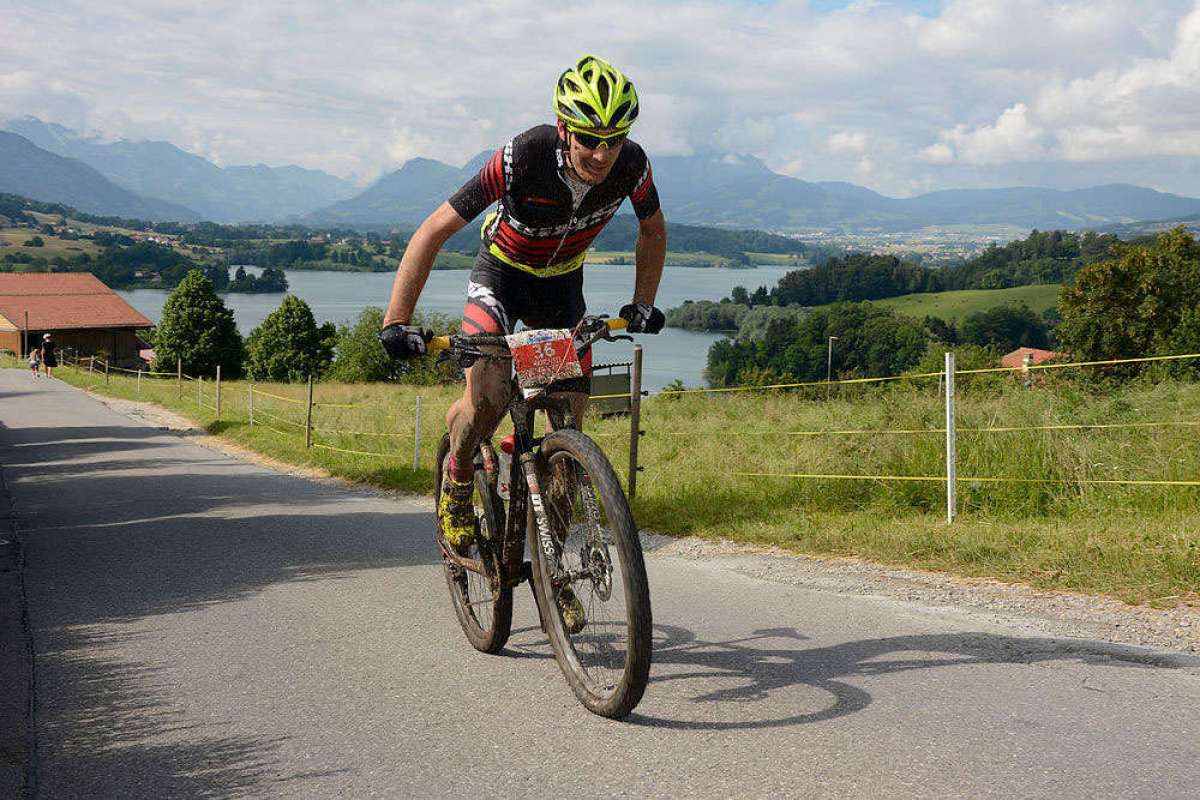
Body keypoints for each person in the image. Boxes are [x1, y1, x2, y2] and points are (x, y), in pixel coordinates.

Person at [380, 55, 667, 619]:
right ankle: (459, 481)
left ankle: (550, 566)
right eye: (588, 138)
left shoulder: (633, 166)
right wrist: (396, 320)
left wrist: (643, 306)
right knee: (486, 398)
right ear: (564, 129)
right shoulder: (524, 156)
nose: (602, 153)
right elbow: (433, 230)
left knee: (567, 424)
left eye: (614, 139)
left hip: (561, 287)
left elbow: (653, 229)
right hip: (502, 274)